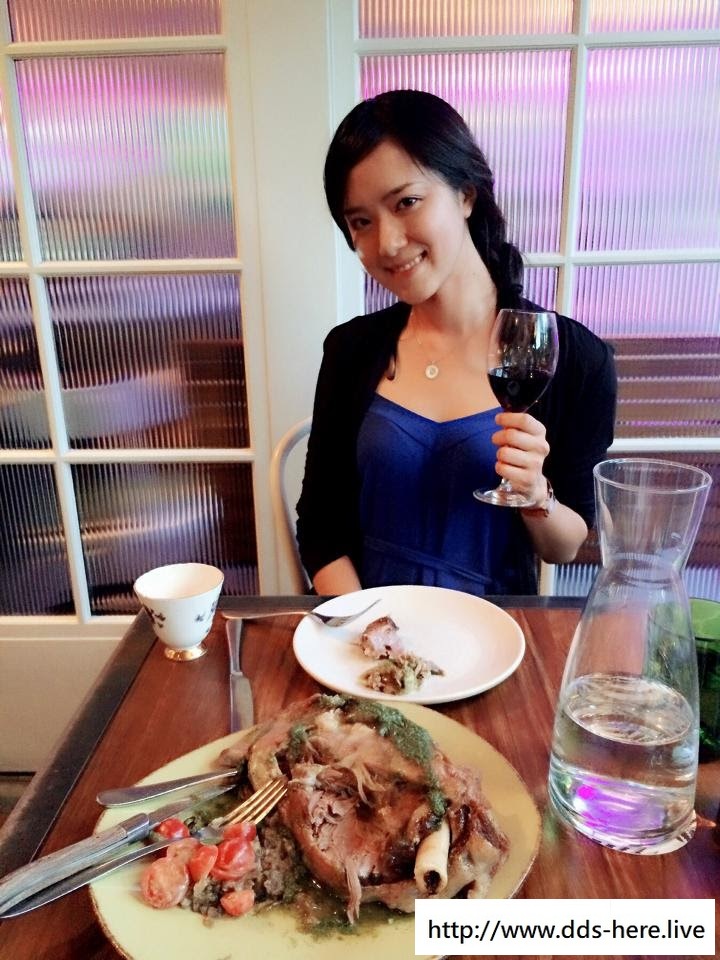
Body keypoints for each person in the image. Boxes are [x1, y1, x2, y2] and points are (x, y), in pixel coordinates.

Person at [296, 89, 616, 597]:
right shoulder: (350, 350)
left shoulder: (573, 358)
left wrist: (537, 495)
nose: (387, 243)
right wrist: (364, 627)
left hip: (497, 630)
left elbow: (564, 547)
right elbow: (320, 527)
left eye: (406, 202)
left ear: (466, 194)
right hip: (370, 630)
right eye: (361, 222)